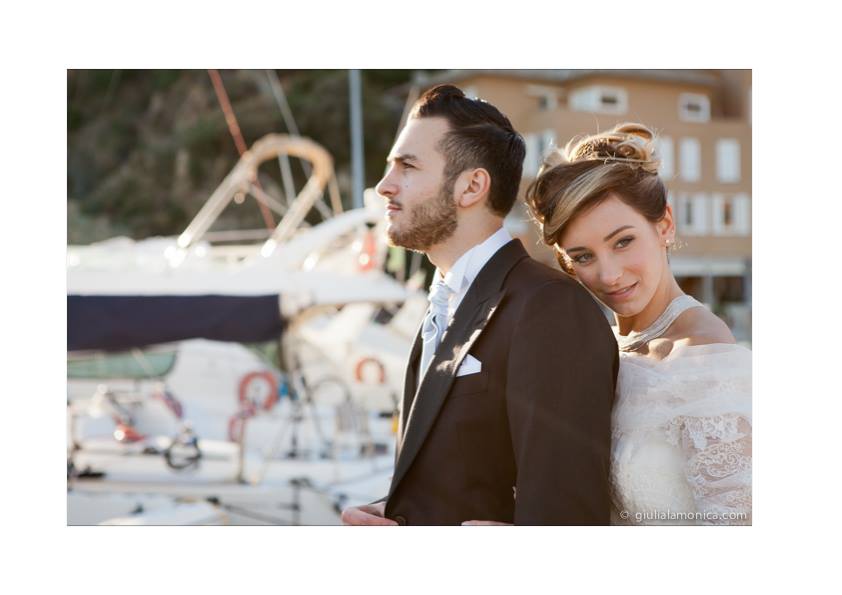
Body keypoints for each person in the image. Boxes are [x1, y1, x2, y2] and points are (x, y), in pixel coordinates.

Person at [340, 85, 618, 526]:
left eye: (408, 166)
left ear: (471, 186)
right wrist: (392, 512)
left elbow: (566, 511)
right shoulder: (443, 301)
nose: (384, 185)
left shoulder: (549, 308)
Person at [523, 122, 752, 525]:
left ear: (665, 225)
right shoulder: (599, 349)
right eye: (583, 256)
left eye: (623, 241)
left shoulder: (703, 357)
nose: (609, 275)